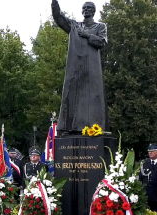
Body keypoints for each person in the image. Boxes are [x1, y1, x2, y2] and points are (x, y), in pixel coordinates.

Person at [52, 0, 108, 133]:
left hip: (92, 68)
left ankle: (94, 128)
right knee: (72, 94)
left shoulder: (100, 26)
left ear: (93, 11)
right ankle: (71, 128)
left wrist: (88, 36)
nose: (86, 10)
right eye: (84, 8)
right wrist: (54, 3)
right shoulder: (74, 25)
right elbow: (59, 18)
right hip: (75, 66)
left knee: (93, 97)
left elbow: (102, 42)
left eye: (89, 8)